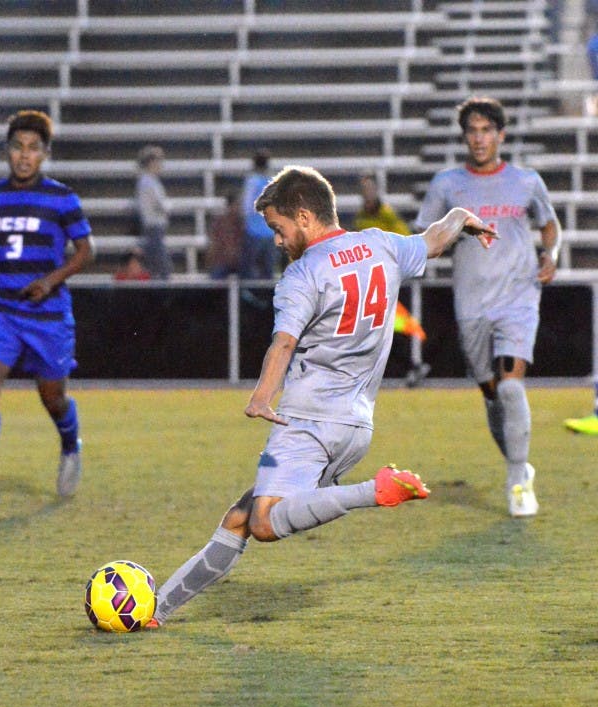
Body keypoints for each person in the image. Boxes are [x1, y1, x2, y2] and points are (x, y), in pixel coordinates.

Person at [147, 165, 495, 629]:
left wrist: (261, 397)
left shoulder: (302, 275)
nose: (275, 240)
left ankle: (375, 491)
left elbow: (284, 342)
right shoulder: (382, 245)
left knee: (264, 523)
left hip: (305, 422)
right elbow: (433, 239)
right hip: (355, 428)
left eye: (278, 228)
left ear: (306, 217)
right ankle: (155, 611)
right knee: (239, 518)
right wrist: (459, 216)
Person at [415, 96, 561, 518]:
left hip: (519, 295)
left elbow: (549, 225)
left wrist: (551, 254)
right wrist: (455, 230)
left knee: (512, 386)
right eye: (471, 131)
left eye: (486, 130)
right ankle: (520, 463)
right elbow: (428, 238)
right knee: (493, 394)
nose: (479, 138)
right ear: (465, 137)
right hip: (471, 302)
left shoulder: (526, 181)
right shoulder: (447, 184)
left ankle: (517, 480)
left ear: (501, 134)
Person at [0, 110, 95, 505]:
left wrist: (50, 280)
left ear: (45, 153)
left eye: (33, 148)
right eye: (18, 147)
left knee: (52, 396)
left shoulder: (61, 198)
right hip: (1, 308)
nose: (24, 155)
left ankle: (71, 443)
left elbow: (87, 251)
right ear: (8, 151)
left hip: (48, 315)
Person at [352, 172, 431, 387]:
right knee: (375, 329)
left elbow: (404, 238)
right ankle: (409, 366)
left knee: (394, 328)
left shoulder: (385, 214)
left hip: (388, 282)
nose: (367, 193)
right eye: (364, 189)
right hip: (371, 283)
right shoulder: (361, 216)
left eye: (370, 188)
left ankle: (413, 364)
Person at [239, 147, 279, 279]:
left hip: (253, 231)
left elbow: (247, 206)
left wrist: (244, 221)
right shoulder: (272, 181)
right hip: (269, 231)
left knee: (249, 269)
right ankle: (268, 297)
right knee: (268, 270)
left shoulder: (252, 181)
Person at [135, 144, 171, 279]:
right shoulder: (148, 182)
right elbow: (161, 205)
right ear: (151, 162)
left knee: (157, 263)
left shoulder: (148, 181)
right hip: (154, 225)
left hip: (154, 226)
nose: (161, 165)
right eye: (158, 161)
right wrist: (168, 207)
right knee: (161, 264)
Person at [206, 190, 244, 279]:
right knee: (217, 275)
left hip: (240, 261)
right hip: (222, 260)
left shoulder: (242, 223)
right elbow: (215, 243)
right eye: (236, 205)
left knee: (250, 277)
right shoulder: (220, 222)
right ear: (230, 206)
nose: (238, 208)